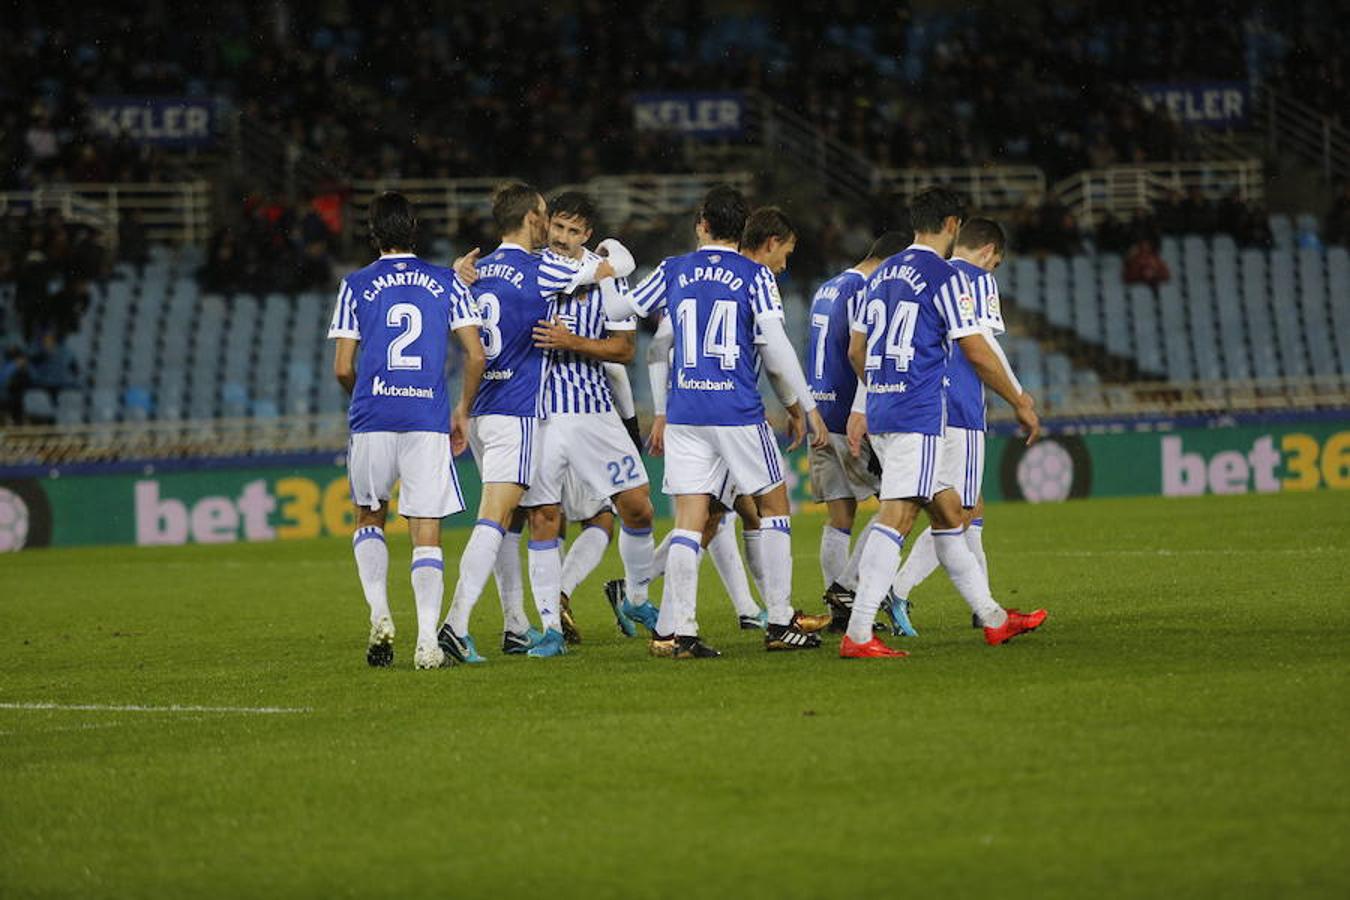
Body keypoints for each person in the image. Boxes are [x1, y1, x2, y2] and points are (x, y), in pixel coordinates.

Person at [615, 185, 830, 658]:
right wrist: (807, 407)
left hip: (687, 413)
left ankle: (679, 632)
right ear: (742, 227)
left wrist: (601, 275)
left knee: (691, 522)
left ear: (702, 224)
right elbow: (775, 350)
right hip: (735, 411)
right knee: (774, 508)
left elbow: (622, 309)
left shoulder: (674, 269)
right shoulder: (754, 277)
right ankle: (778, 621)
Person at [840, 187, 1045, 658]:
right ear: (953, 225)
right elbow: (975, 348)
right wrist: (1018, 399)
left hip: (885, 409)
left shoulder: (880, 274)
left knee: (950, 514)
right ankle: (859, 632)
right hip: (919, 412)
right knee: (899, 516)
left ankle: (994, 619)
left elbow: (856, 350)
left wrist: (881, 388)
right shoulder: (945, 276)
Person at [437, 182, 616, 662]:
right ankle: (454, 624)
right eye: (545, 216)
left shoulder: (471, 272)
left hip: (481, 412)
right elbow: (610, 269)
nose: (549, 225)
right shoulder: (542, 268)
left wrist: (457, 271)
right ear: (533, 220)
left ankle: (516, 626)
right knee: (493, 520)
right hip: (515, 413)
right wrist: (606, 255)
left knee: (515, 520)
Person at [327, 191, 485, 670]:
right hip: (426, 420)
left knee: (368, 516)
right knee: (426, 530)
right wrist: (462, 409)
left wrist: (366, 397)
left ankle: (379, 614)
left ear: (372, 233)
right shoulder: (446, 282)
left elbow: (341, 367)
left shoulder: (355, 285)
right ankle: (426, 642)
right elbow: (476, 355)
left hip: (373, 417)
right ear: (415, 228)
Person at [518, 191, 659, 651]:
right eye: (557, 227)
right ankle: (549, 630)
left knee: (638, 507)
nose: (561, 238)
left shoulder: (607, 281)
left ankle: (637, 596)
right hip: (539, 412)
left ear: (587, 234)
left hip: (594, 410)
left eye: (572, 231)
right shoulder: (532, 266)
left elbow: (624, 349)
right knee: (543, 516)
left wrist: (572, 341)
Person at [882, 217, 1025, 635]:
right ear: (987, 253)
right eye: (995, 263)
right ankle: (898, 588)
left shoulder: (919, 277)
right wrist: (1019, 396)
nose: (992, 270)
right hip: (961, 408)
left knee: (967, 507)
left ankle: (986, 609)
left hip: (923, 406)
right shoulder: (974, 280)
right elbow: (984, 343)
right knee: (958, 513)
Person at [805, 230, 913, 632]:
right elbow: (857, 351)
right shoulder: (867, 289)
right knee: (900, 500)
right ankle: (846, 587)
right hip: (849, 414)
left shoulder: (829, 287)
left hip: (820, 409)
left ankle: (840, 611)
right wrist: (868, 404)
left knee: (839, 515)